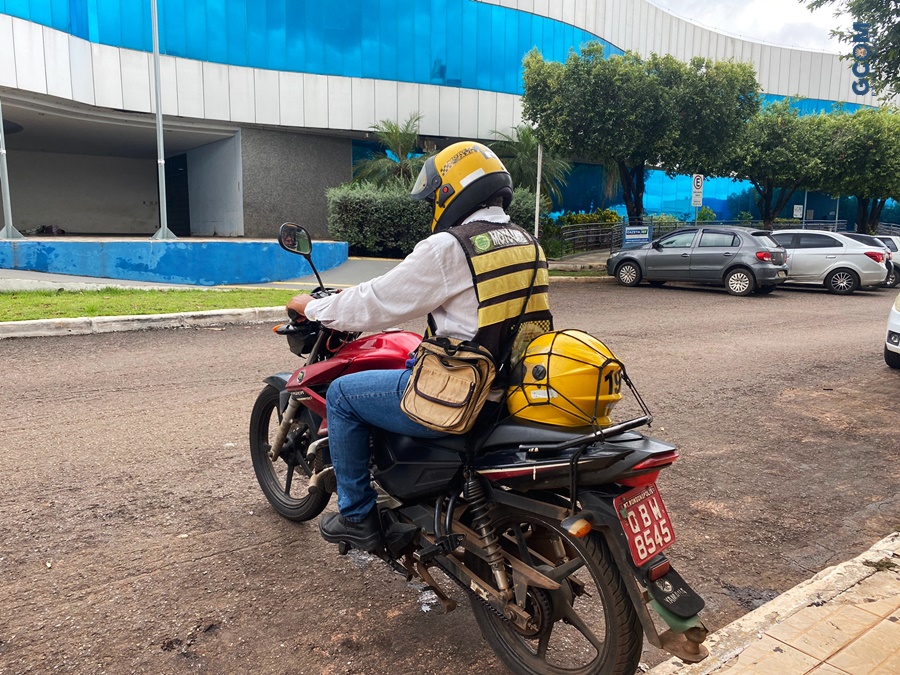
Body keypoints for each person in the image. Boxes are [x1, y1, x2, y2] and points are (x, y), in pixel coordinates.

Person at [286, 141, 552, 552]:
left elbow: (376, 301)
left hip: (462, 395)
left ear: (452, 191)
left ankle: (357, 517)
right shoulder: (526, 241)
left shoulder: (451, 247)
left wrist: (316, 307)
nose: (434, 208)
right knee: (409, 355)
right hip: (510, 388)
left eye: (435, 198)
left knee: (341, 395)